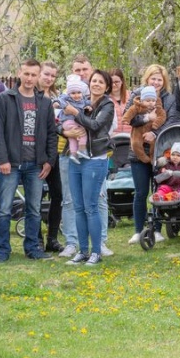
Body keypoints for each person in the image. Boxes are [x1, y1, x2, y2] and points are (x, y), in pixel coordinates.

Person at [0, 59, 58, 262]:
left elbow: (52, 134)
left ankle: (32, 248)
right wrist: (2, 159)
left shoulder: (44, 102)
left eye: (33, 75)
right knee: (4, 208)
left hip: (36, 164)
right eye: (26, 74)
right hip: (10, 164)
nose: (29, 78)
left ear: (38, 76)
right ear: (19, 73)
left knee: (34, 209)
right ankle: (2, 251)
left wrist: (49, 161)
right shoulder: (6, 98)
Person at [64, 69, 115, 266]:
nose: (96, 84)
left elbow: (95, 125)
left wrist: (75, 113)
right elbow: (60, 121)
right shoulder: (80, 99)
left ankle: (96, 251)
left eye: (101, 82)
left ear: (107, 86)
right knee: (78, 207)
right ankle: (83, 251)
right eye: (94, 81)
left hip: (95, 158)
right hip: (76, 158)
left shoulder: (107, 105)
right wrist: (65, 132)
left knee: (91, 207)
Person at [125, 64, 179, 245]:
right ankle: (138, 230)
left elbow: (172, 120)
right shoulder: (136, 95)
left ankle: (156, 229)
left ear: (164, 81)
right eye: (153, 78)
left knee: (158, 189)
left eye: (159, 79)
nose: (156, 82)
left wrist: (155, 133)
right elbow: (128, 117)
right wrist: (146, 119)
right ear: (147, 79)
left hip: (159, 149)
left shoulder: (169, 98)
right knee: (140, 192)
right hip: (138, 150)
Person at [37, 60, 65, 253]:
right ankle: (36, 238)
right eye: (46, 74)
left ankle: (52, 238)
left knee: (58, 194)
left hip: (54, 151)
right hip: (35, 153)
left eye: (53, 76)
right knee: (35, 196)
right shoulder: (31, 96)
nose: (49, 78)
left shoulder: (57, 97)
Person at [123, 86, 166, 165]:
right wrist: (126, 119)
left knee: (154, 145)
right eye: (148, 100)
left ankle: (153, 158)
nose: (151, 102)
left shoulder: (158, 108)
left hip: (151, 130)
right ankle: (143, 158)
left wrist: (156, 124)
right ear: (142, 101)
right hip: (138, 131)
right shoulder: (137, 107)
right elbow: (129, 112)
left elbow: (162, 117)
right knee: (135, 144)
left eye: (153, 100)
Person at [56, 75, 91, 163]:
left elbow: (88, 102)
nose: (76, 95)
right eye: (73, 93)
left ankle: (73, 154)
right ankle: (82, 149)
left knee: (72, 138)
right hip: (69, 121)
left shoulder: (82, 99)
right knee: (82, 132)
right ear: (69, 94)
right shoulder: (67, 99)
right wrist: (64, 106)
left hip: (71, 123)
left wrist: (88, 106)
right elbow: (59, 100)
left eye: (79, 92)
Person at [109, 68, 131, 135]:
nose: (113, 85)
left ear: (122, 81)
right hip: (113, 137)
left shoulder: (131, 96)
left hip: (131, 136)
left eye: (116, 82)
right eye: (111, 82)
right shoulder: (105, 98)